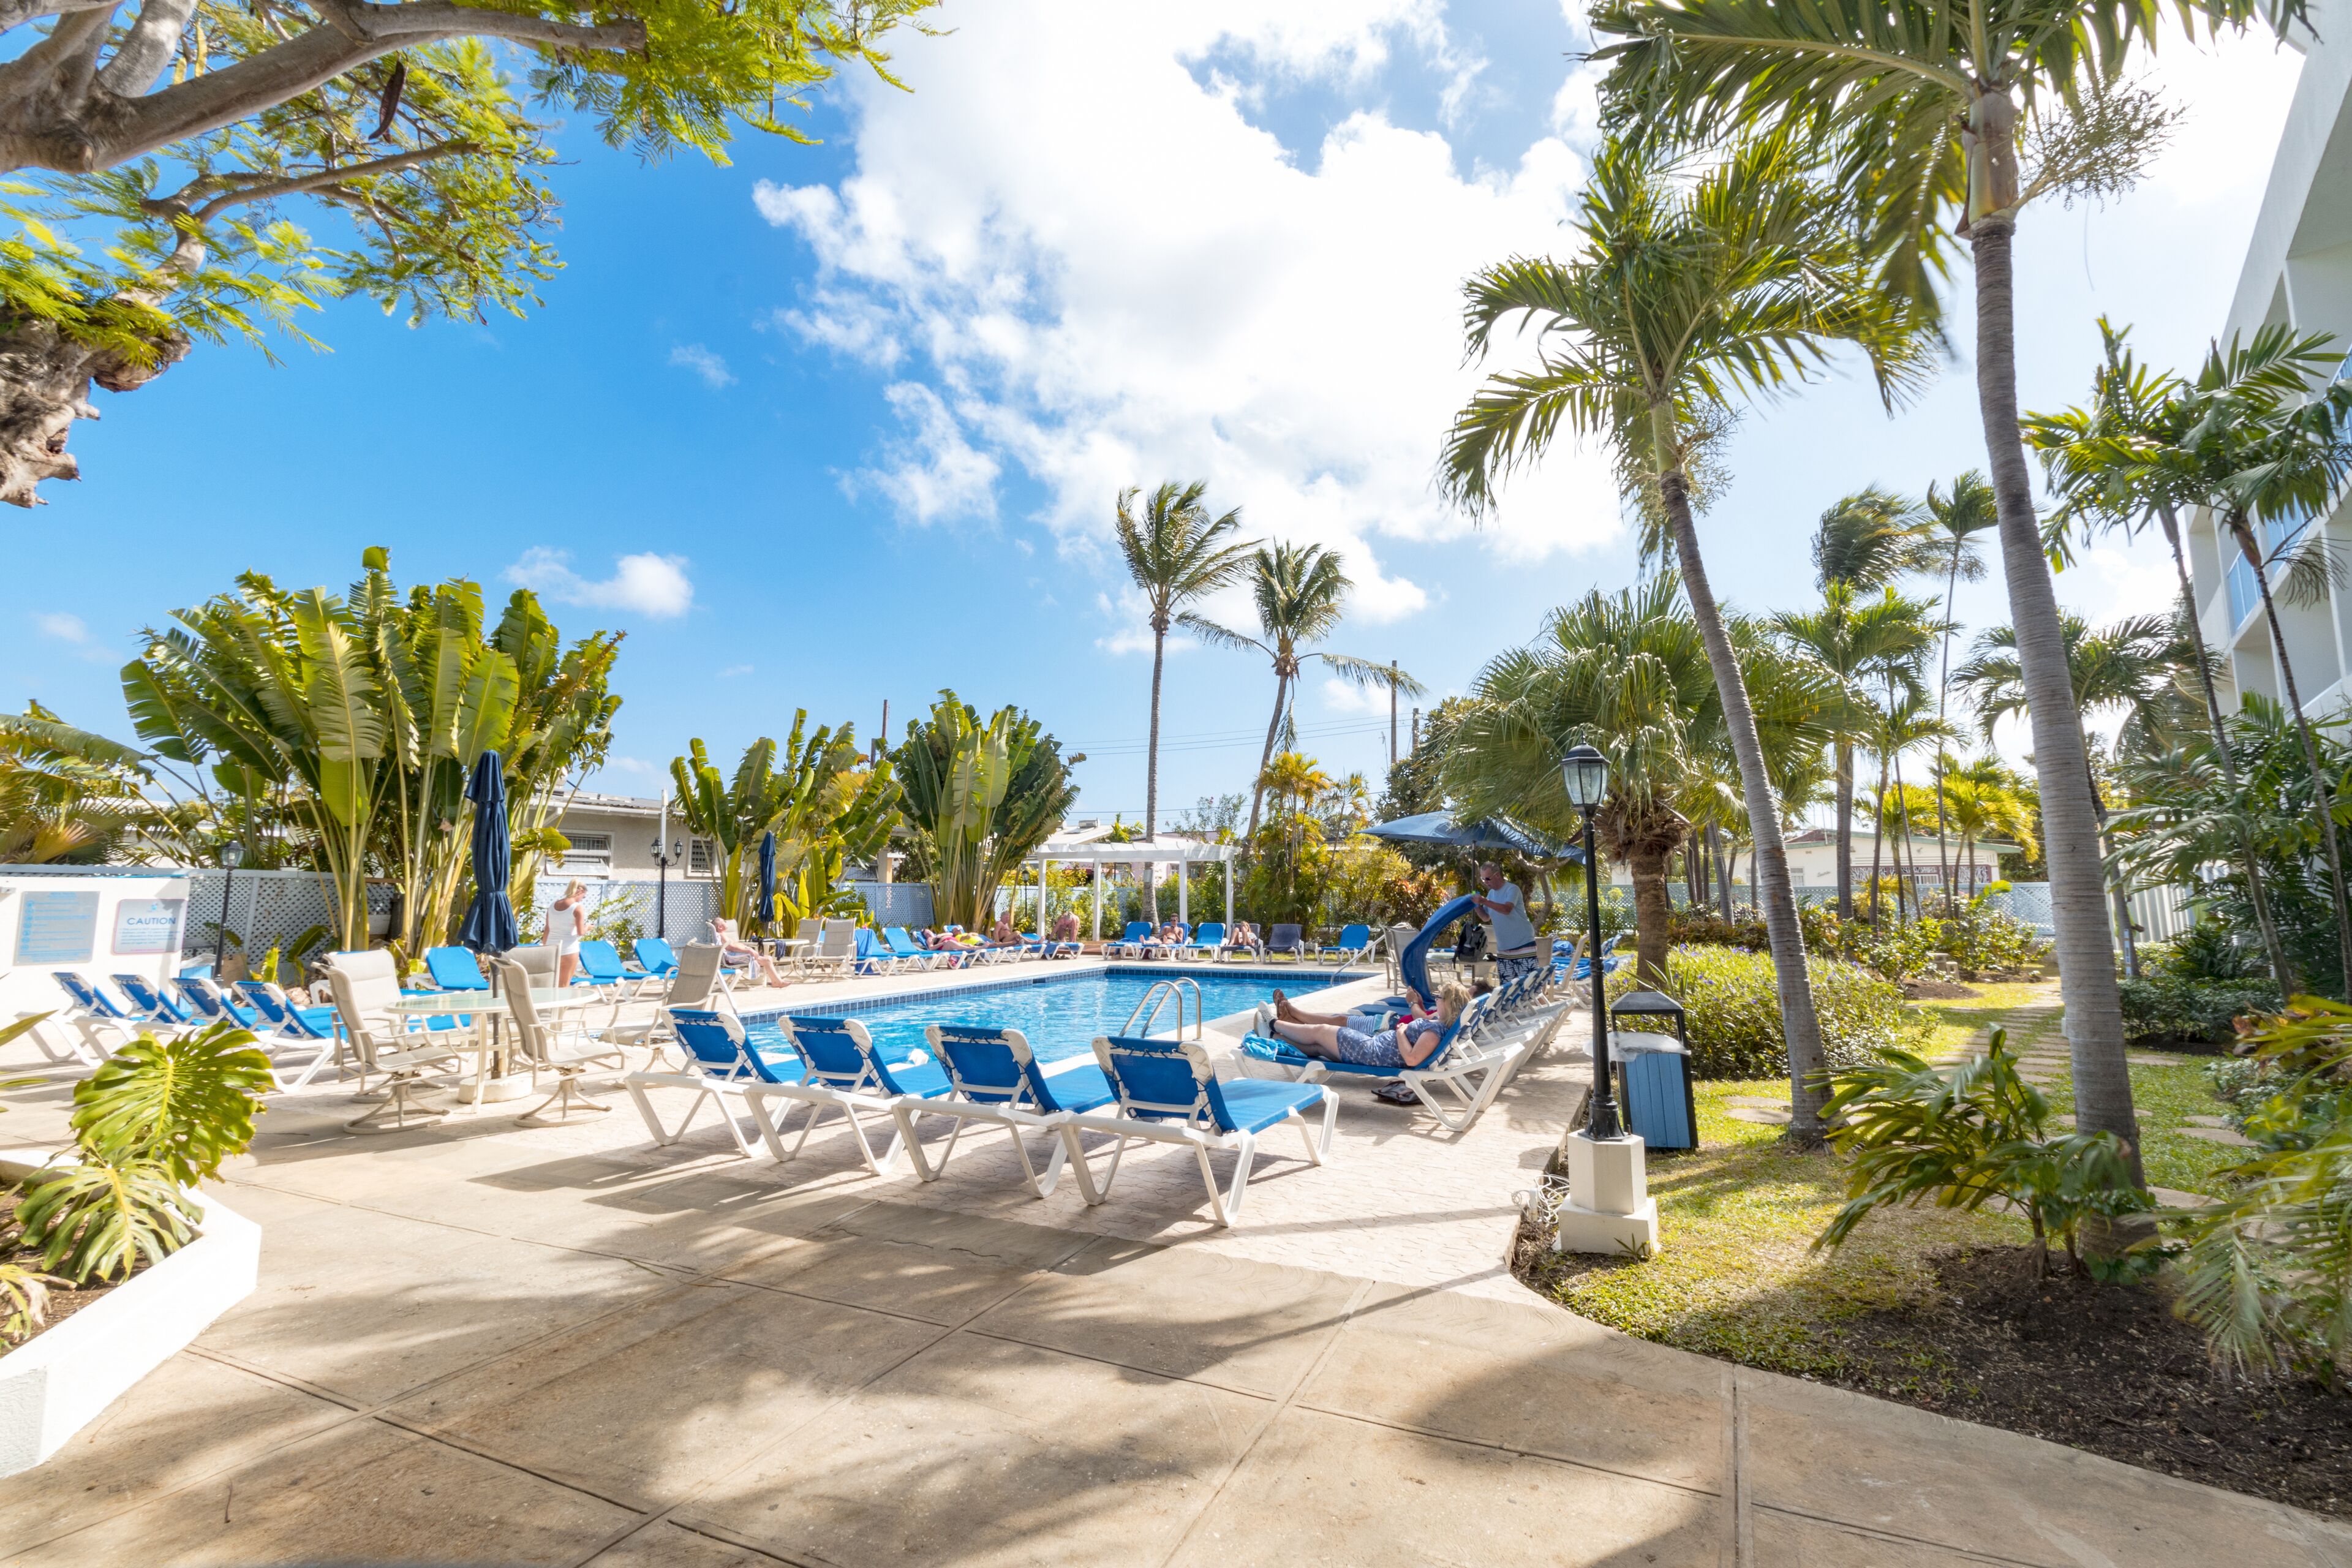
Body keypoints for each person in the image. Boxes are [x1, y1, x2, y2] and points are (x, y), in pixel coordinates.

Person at [1269, 982, 1467, 1069]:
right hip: (1375, 1049)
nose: (1436, 1000)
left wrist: (1401, 1032)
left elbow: (1413, 1059)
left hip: (1372, 1052)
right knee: (1318, 1048)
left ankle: (1274, 1023)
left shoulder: (1435, 1032)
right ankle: (1275, 1038)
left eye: (1439, 998)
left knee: (1322, 1031)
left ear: (1449, 1004)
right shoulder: (1440, 1024)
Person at [1469, 862, 1542, 984]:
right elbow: (1486, 917)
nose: (1486, 882)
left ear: (1497, 875)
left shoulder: (1512, 889)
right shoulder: (1491, 894)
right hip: (1504, 950)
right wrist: (1476, 905)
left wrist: (1484, 901)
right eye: (1483, 879)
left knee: (1527, 986)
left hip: (1523, 945)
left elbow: (1507, 909)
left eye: (1488, 878)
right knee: (1506, 988)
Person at [710, 916, 789, 987]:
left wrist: (747, 948)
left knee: (769, 958)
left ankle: (775, 982)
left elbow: (733, 946)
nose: (726, 922)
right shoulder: (721, 935)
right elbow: (731, 947)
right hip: (732, 958)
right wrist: (748, 950)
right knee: (767, 960)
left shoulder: (723, 934)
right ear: (720, 927)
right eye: (724, 921)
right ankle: (778, 982)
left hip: (736, 955)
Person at [548, 881, 589, 987]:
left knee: (550, 984)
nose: (582, 900)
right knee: (564, 985)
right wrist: (588, 927)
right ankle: (562, 1004)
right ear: (580, 891)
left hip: (551, 948)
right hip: (569, 949)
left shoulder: (553, 905)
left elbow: (547, 928)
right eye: (583, 897)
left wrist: (545, 946)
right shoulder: (577, 907)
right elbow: (580, 932)